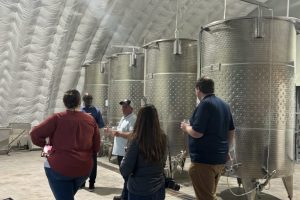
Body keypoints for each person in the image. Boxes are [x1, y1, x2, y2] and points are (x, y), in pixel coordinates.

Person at [30, 89, 100, 200]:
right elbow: (96, 147)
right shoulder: (90, 120)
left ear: (64, 102)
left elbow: (34, 134)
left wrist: (47, 147)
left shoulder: (57, 118)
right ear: (79, 102)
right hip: (84, 169)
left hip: (59, 168)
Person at [180, 77, 235, 200]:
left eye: (195, 90)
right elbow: (231, 130)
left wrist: (186, 127)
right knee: (210, 194)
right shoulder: (224, 105)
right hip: (219, 160)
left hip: (204, 162)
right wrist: (227, 150)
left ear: (198, 89)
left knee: (206, 198)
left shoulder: (205, 105)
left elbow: (197, 133)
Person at [120, 104, 167, 200]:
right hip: (159, 188)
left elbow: (125, 169)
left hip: (139, 189)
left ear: (140, 119)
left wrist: (124, 158)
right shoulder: (163, 137)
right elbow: (163, 162)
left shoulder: (136, 139)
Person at [110, 99, 136, 200]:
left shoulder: (133, 119)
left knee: (127, 176)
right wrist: (113, 131)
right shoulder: (124, 118)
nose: (123, 108)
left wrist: (119, 134)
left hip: (126, 152)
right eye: (122, 106)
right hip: (120, 151)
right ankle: (125, 196)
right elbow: (120, 131)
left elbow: (132, 135)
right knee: (126, 176)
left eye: (125, 106)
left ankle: (126, 196)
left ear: (131, 108)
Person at [81, 93, 105, 191]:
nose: (88, 100)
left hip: (92, 141)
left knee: (93, 163)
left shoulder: (96, 111)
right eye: (86, 99)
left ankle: (91, 183)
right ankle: (82, 182)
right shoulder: (80, 111)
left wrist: (100, 139)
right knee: (82, 162)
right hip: (82, 142)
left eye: (90, 98)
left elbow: (100, 126)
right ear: (83, 100)